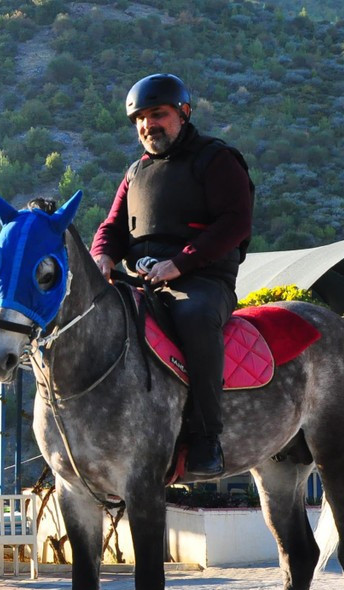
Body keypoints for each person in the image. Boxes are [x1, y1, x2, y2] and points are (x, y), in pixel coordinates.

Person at [89, 73, 254, 480]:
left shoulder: (217, 159)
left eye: (158, 115)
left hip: (202, 283)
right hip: (142, 281)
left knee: (194, 317)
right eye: (140, 119)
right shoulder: (134, 173)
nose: (148, 126)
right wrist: (102, 257)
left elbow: (236, 222)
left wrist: (179, 264)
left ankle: (205, 437)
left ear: (184, 112)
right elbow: (112, 227)